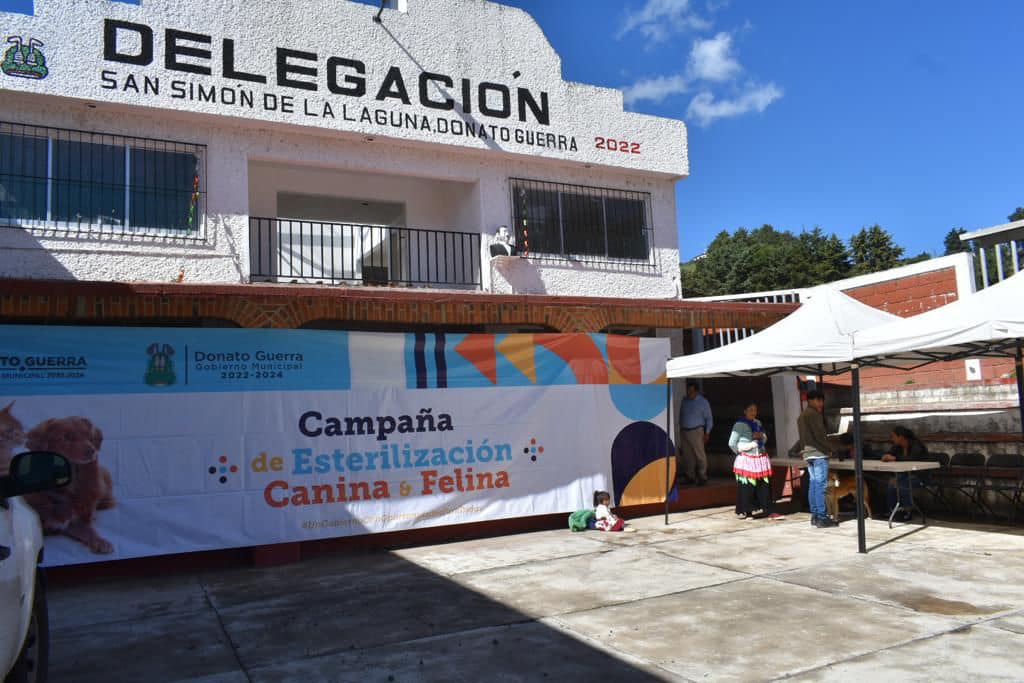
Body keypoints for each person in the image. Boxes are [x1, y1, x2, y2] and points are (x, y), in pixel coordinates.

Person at [729, 401, 782, 519]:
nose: (753, 413)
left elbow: (764, 437)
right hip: (747, 460)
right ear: (745, 411)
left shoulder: (758, 423)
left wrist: (761, 436)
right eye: (750, 410)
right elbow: (732, 443)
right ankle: (748, 511)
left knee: (764, 485)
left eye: (755, 410)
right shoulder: (739, 425)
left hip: (760, 459)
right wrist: (747, 447)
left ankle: (768, 509)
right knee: (748, 487)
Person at [797, 389, 837, 528]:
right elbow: (820, 436)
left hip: (808, 454)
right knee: (820, 486)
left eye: (822, 400)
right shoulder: (814, 414)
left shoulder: (802, 415)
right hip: (819, 453)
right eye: (818, 400)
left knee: (813, 485)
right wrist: (830, 449)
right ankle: (821, 517)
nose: (821, 403)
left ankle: (814, 516)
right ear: (810, 400)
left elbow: (802, 438)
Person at [881, 426, 929, 521]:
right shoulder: (897, 446)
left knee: (902, 484)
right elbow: (889, 454)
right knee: (892, 483)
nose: (892, 439)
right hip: (905, 475)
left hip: (921, 476)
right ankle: (893, 510)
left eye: (893, 436)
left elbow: (914, 459)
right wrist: (886, 456)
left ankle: (908, 510)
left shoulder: (917, 445)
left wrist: (894, 458)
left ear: (901, 437)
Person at [678, 381, 713, 486]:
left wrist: (707, 432)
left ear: (697, 391)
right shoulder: (684, 400)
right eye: (688, 391)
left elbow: (709, 418)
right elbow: (681, 414)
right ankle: (690, 476)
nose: (689, 393)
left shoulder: (703, 402)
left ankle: (702, 476)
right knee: (688, 456)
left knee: (700, 455)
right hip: (684, 430)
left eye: (692, 391)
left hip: (696, 430)